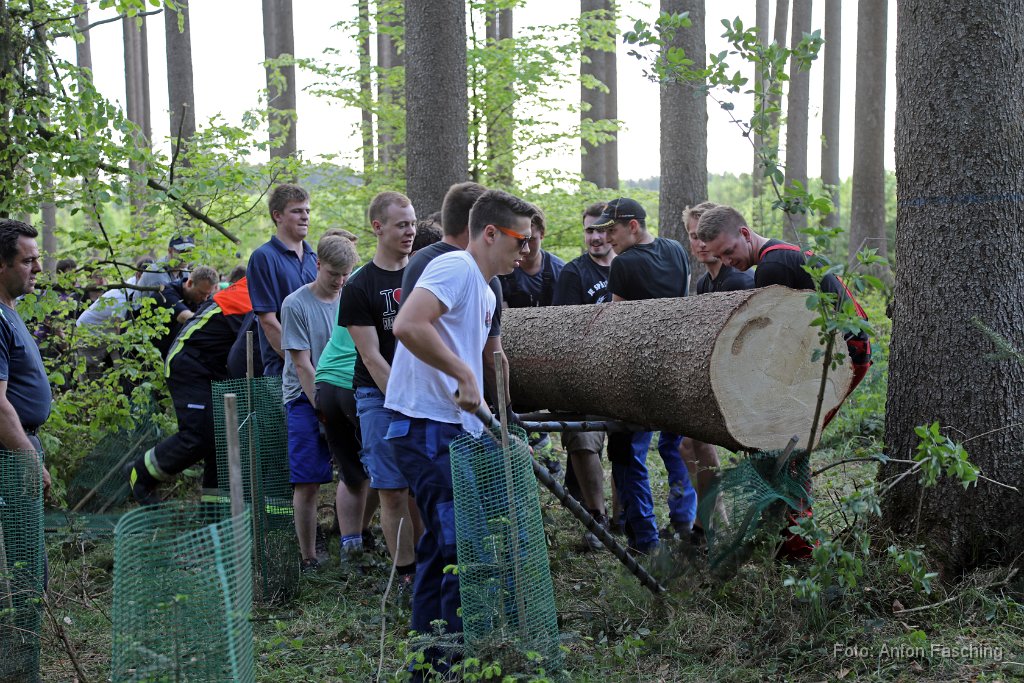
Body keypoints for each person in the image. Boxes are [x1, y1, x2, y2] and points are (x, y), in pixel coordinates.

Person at [386, 188, 534, 675]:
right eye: (519, 240)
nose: (526, 250)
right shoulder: (456, 268)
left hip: (455, 430)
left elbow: (475, 364)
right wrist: (463, 374)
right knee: (462, 548)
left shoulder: (487, 290)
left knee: (440, 551)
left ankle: (427, 665)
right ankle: (451, 668)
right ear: (489, 233)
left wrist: (498, 426)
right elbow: (408, 325)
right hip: (426, 427)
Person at [696, 204, 872, 557]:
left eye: (729, 251)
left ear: (745, 233)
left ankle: (800, 546)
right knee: (787, 444)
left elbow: (777, 342)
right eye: (719, 257)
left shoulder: (773, 267)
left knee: (789, 446)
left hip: (844, 355)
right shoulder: (781, 254)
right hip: (840, 351)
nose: (728, 261)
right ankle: (788, 535)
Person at [598, 197, 697, 553]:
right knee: (673, 445)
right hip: (678, 365)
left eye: (612, 230)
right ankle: (684, 521)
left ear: (633, 226)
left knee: (628, 452)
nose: (607, 238)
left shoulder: (622, 264)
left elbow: (618, 323)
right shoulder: (676, 250)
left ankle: (644, 539)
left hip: (638, 373)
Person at [337, 191, 420, 590]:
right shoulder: (359, 285)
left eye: (413, 223)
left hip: (426, 394)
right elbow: (371, 357)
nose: (410, 231)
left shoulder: (424, 273)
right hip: (378, 397)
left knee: (424, 488)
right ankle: (406, 575)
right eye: (402, 224)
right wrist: (404, 402)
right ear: (378, 227)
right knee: (392, 490)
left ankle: (431, 567)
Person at [126, 275, 256, 504]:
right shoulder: (254, 296)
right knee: (199, 435)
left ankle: (213, 511)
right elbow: (245, 354)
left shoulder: (267, 289)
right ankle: (141, 473)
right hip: (190, 363)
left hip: (215, 367)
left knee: (222, 438)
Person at [401, 181, 512, 428]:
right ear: (478, 225)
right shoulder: (466, 269)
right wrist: (506, 413)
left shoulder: (418, 260)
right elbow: (493, 358)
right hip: (442, 410)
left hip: (417, 404)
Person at [281, 234, 360, 573]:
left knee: (358, 471)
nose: (339, 281)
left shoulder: (353, 296)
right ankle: (309, 556)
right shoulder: (295, 305)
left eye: (345, 274)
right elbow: (302, 364)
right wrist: (322, 409)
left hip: (347, 391)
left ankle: (353, 538)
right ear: (318, 265)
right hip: (305, 395)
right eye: (333, 274)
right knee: (308, 479)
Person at [679, 201, 752, 540]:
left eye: (705, 237)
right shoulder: (703, 283)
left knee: (695, 442)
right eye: (694, 236)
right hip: (711, 378)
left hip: (738, 381)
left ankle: (713, 524)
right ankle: (711, 519)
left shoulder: (738, 279)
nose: (701, 244)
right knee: (688, 445)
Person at [551, 202, 615, 550]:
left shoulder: (628, 267)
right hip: (584, 374)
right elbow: (564, 329)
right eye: (590, 230)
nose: (596, 237)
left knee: (628, 447)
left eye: (603, 230)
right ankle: (597, 517)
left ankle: (626, 517)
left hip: (625, 372)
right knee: (583, 437)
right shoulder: (573, 273)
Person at [315, 229, 380, 561]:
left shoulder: (357, 283)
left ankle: (351, 546)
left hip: (326, 382)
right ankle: (362, 535)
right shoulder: (376, 282)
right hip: (354, 385)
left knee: (352, 471)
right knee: (383, 468)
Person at [498, 208, 565, 473]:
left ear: (542, 235)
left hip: (551, 360)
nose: (525, 248)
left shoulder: (559, 271)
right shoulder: (504, 272)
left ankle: (549, 460)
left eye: (532, 240)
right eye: (520, 241)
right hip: (512, 359)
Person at [0, 219, 52, 493]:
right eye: (28, 261)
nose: (38, 268)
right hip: (8, 456)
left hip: (17, 448)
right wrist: (28, 457)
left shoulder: (9, 311)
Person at [246, 184, 318, 376]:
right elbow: (268, 321)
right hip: (283, 372)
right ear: (277, 216)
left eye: (307, 211)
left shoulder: (315, 259)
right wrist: (302, 366)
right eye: (297, 211)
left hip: (321, 367)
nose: (305, 216)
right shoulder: (263, 257)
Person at [147, 265, 220, 358]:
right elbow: (185, 317)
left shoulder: (201, 298)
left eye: (208, 294)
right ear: (189, 283)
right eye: (201, 293)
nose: (205, 298)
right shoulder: (166, 293)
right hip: (148, 355)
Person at [132, 234, 195, 303]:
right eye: (182, 252)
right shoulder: (156, 272)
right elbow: (166, 303)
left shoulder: (185, 272)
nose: (186, 257)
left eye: (189, 252)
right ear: (170, 251)